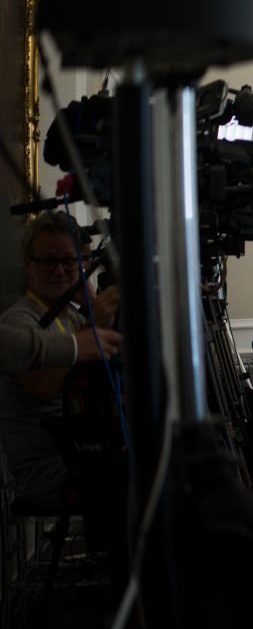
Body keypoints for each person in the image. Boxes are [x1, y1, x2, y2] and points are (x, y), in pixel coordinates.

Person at [0, 212, 121, 504]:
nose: (58, 271)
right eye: (47, 261)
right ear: (29, 265)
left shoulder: (69, 311)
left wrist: (91, 305)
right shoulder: (20, 320)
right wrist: (92, 325)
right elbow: (44, 386)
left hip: (84, 449)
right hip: (48, 467)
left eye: (68, 261)